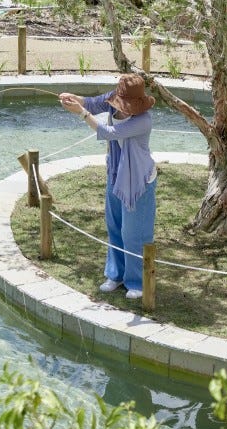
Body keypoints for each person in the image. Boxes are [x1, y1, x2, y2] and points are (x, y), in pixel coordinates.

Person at [59, 74, 157, 299]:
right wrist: (76, 99)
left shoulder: (143, 120)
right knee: (114, 226)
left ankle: (137, 283)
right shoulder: (113, 101)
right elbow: (93, 102)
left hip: (138, 181)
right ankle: (116, 274)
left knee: (134, 233)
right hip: (116, 173)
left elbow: (109, 134)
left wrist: (82, 114)